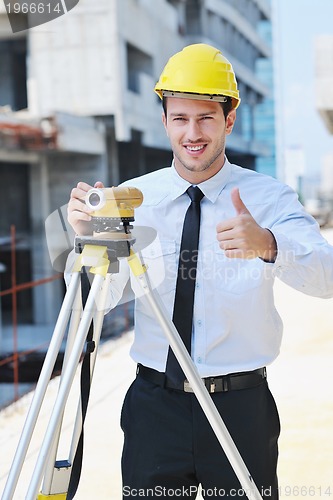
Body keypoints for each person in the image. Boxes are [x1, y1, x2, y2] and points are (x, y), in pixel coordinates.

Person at [67, 44, 333, 499]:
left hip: (240, 406)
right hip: (154, 407)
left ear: (229, 120)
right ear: (166, 121)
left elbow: (327, 277)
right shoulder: (132, 198)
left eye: (206, 118)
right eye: (180, 118)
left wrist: (269, 244)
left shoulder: (269, 198)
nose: (193, 133)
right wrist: (90, 243)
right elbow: (99, 300)